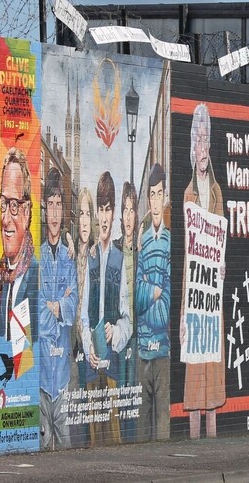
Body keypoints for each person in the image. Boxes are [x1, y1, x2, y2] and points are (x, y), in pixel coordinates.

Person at [180, 103, 226, 439]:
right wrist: (185, 313)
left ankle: (214, 448)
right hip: (195, 292)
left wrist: (221, 266)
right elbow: (188, 251)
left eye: (206, 141)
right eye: (197, 142)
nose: (202, 149)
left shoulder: (216, 191)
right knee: (196, 379)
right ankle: (195, 447)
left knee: (213, 381)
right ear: (192, 148)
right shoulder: (189, 194)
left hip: (213, 294)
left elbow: (220, 240)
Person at [80, 171, 127, 445]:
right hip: (91, 364)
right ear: (97, 214)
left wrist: (116, 332)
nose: (105, 216)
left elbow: (127, 318)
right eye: (101, 209)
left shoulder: (119, 259)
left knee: (113, 428)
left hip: (111, 363)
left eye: (109, 210)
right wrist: (88, 349)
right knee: (94, 436)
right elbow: (84, 317)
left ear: (113, 213)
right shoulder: (90, 257)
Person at [0, 148, 39, 389]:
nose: (6, 219)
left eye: (14, 205)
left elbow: (26, 361)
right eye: (3, 204)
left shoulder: (33, 278)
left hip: (20, 393)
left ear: (27, 211)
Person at [38, 167, 78, 450]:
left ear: (64, 211)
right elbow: (38, 313)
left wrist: (60, 306)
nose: (53, 213)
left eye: (58, 205)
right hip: (41, 376)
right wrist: (56, 309)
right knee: (42, 449)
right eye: (49, 205)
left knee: (65, 449)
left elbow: (73, 306)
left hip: (62, 377)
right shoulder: (37, 257)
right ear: (44, 211)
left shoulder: (68, 257)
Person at [135, 163, 170, 442]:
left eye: (160, 194)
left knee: (162, 428)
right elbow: (137, 297)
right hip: (142, 350)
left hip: (163, 351)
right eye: (152, 195)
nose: (155, 202)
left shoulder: (169, 243)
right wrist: (151, 290)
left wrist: (152, 291)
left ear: (165, 196)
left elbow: (164, 313)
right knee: (141, 430)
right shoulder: (144, 242)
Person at [68, 187, 94, 446]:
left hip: (92, 343)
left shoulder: (98, 253)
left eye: (89, 214)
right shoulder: (72, 251)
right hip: (74, 342)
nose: (84, 220)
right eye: (81, 214)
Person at [115, 180, 139, 442]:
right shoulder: (117, 248)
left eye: (132, 210)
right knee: (122, 388)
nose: (128, 216)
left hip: (138, 333)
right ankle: (124, 438)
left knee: (134, 388)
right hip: (122, 331)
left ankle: (133, 436)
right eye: (125, 210)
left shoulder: (140, 249)